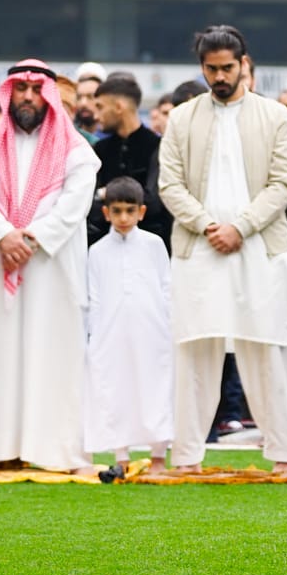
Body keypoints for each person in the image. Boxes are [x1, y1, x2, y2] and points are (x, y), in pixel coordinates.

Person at [158, 26, 287, 476]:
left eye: (227, 67)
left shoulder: (275, 116)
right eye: (211, 69)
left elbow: (283, 184)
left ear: (244, 64)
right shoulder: (182, 118)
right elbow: (169, 185)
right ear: (202, 68)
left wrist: (240, 227)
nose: (219, 76)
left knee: (266, 349)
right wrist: (206, 225)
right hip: (198, 250)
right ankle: (186, 457)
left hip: (259, 248)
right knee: (195, 351)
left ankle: (282, 455)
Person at [0, 61, 99, 473]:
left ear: (49, 95)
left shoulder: (76, 150)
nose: (26, 97)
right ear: (8, 93)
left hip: (49, 271)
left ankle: (52, 451)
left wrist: (29, 238)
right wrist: (3, 236)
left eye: (35, 89)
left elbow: (74, 204)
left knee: (51, 355)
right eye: (19, 88)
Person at [83, 176, 174, 470]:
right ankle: (120, 456)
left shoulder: (154, 244)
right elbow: (93, 297)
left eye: (130, 211)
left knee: (155, 389)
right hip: (110, 335)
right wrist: (93, 336)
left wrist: (168, 326)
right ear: (106, 212)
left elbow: (166, 287)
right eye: (117, 211)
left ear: (141, 212)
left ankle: (158, 456)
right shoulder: (96, 251)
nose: (124, 218)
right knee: (114, 390)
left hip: (152, 332)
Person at [87, 74, 170, 247]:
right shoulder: (100, 149)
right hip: (103, 247)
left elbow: (154, 204)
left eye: (100, 107)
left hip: (150, 249)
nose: (97, 116)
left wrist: (106, 194)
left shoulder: (157, 147)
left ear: (118, 107)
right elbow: (91, 207)